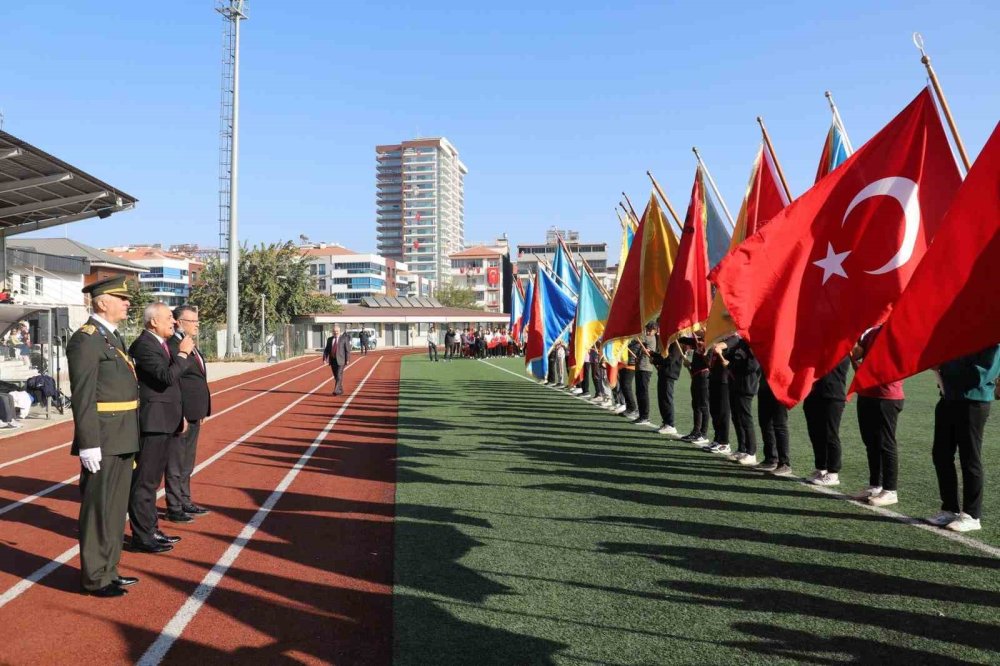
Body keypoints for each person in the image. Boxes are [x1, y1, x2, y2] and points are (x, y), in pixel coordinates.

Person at [67, 276, 141, 597]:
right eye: (120, 298)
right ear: (101, 302)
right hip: (104, 439)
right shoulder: (86, 340)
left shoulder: (110, 337)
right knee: (99, 510)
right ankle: (95, 577)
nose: (127, 303)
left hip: (123, 435)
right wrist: (88, 443)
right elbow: (83, 396)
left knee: (114, 510)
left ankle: (109, 570)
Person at [128, 302, 193, 551]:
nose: (174, 322)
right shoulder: (144, 345)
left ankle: (151, 530)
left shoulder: (160, 343)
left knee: (153, 481)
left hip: (166, 419)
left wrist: (180, 415)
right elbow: (166, 377)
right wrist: (184, 354)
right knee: (145, 481)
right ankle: (142, 536)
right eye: (168, 318)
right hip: (153, 422)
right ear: (153, 321)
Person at [928, 345, 1000, 532]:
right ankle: (949, 508)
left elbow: (980, 375)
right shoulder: (962, 335)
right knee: (941, 454)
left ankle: (972, 515)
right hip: (948, 399)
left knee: (969, 458)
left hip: (974, 403)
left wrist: (944, 367)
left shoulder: (992, 339)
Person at [849, 327, 905, 506]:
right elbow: (857, 355)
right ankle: (875, 484)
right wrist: (851, 340)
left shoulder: (899, 332)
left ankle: (890, 490)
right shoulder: (872, 333)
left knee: (886, 443)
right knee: (871, 442)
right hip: (867, 392)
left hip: (887, 395)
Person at [167, 305, 212, 519]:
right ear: (179, 322)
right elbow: (175, 382)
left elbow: (198, 378)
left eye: (197, 321)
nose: (197, 325)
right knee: (176, 462)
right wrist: (181, 413)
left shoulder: (190, 345)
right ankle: (174, 506)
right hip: (180, 414)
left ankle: (185, 500)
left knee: (188, 460)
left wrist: (201, 409)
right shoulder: (173, 346)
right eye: (193, 321)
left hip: (195, 412)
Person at [804, 356, 851, 487]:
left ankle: (833, 472)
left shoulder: (842, 349)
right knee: (815, 433)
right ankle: (821, 467)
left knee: (830, 434)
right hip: (813, 394)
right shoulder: (821, 347)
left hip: (833, 396)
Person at [724, 336, 761, 466]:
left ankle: (751, 452)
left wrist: (732, 365)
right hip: (735, 384)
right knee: (736, 417)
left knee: (745, 419)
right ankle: (742, 448)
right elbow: (732, 356)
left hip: (747, 386)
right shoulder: (740, 343)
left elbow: (752, 365)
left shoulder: (754, 344)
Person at [757, 376, 792, 476]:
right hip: (765, 384)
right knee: (765, 423)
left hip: (780, 385)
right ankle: (770, 459)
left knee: (780, 425)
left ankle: (784, 463)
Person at [679, 335, 710, 445]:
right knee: (695, 404)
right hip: (696, 376)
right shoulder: (696, 341)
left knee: (703, 405)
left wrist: (704, 349)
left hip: (704, 377)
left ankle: (703, 433)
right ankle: (696, 431)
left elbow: (709, 362)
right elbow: (681, 339)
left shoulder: (710, 342)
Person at [653, 333, 683, 438]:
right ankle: (665, 422)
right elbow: (663, 356)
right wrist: (652, 354)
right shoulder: (668, 343)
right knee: (661, 398)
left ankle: (670, 424)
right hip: (663, 373)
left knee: (666, 398)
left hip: (669, 374)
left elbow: (670, 359)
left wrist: (656, 360)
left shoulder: (677, 343)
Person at [706, 342, 732, 455]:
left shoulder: (733, 338)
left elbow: (722, 345)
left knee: (723, 412)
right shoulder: (719, 337)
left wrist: (716, 345)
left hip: (724, 381)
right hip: (714, 378)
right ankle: (717, 439)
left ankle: (724, 442)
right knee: (714, 410)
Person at [632, 325, 656, 427]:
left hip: (645, 368)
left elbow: (638, 338)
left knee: (643, 392)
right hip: (640, 367)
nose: (649, 332)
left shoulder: (650, 338)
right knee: (639, 392)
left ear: (655, 331)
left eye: (651, 330)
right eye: (648, 330)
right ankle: (641, 415)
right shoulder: (646, 338)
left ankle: (645, 416)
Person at [323, 325, 351, 395]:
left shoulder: (344, 338)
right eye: (334, 331)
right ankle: (341, 390)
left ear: (339, 331)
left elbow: (347, 350)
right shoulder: (329, 339)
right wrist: (325, 358)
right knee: (336, 376)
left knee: (339, 375)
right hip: (332, 360)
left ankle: (336, 390)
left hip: (341, 360)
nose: (336, 332)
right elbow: (326, 350)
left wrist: (347, 359)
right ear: (332, 332)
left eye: (337, 331)